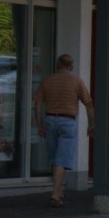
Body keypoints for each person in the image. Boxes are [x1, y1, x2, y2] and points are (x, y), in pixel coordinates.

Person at [33, 54, 94, 208]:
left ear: (57, 65)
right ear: (71, 66)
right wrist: (91, 124)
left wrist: (39, 124)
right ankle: (55, 194)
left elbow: (38, 104)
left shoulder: (48, 81)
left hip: (50, 120)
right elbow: (88, 104)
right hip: (68, 121)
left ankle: (59, 192)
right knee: (61, 160)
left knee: (55, 159)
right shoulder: (76, 81)